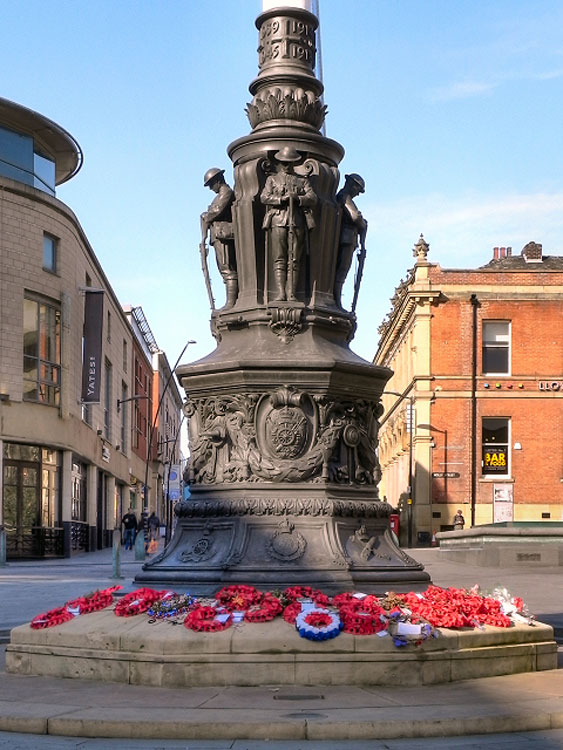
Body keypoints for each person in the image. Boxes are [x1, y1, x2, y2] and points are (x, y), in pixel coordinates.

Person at [260, 146, 317, 302]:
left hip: (296, 221)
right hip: (278, 221)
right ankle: (281, 293)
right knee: (279, 258)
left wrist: (298, 199)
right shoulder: (272, 180)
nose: (287, 165)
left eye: (290, 162)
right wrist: (280, 200)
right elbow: (264, 197)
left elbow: (313, 198)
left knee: (294, 259)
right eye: (284, 162)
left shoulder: (302, 180)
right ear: (279, 162)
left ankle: (291, 292)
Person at [201, 167, 238, 308]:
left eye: (211, 184)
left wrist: (206, 215)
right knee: (224, 269)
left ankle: (231, 303)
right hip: (218, 235)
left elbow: (216, 212)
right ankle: (230, 301)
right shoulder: (220, 195)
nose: (211, 188)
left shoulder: (226, 192)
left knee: (227, 268)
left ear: (218, 180)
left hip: (224, 235)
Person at [334, 173, 367, 308]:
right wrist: (363, 223)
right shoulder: (344, 197)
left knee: (342, 271)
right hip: (346, 239)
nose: (358, 194)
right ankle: (336, 301)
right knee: (342, 271)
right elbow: (355, 217)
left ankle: (336, 300)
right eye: (358, 190)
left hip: (348, 238)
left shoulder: (343, 197)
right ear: (352, 185)